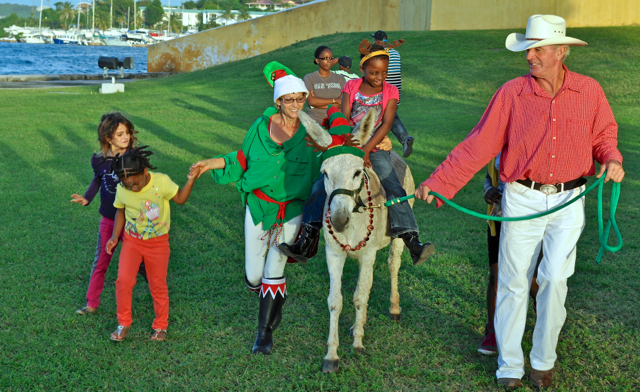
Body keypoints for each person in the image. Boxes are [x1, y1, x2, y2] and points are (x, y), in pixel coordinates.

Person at [415, 15, 625, 389]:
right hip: (522, 198)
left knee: (555, 279)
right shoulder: (512, 93)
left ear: (561, 52)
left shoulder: (590, 91)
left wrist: (611, 157)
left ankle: (543, 361)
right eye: (529, 48)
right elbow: (479, 143)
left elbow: (604, 133)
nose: (530, 56)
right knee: (513, 282)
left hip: (570, 198)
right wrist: (439, 182)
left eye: (538, 48)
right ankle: (510, 366)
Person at [190, 63, 325, 355]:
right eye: (289, 100)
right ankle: (271, 294)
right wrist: (210, 163)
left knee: (274, 267)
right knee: (254, 275)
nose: (295, 105)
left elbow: (334, 152)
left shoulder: (312, 131)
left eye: (300, 98)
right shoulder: (259, 127)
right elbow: (241, 157)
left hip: (292, 209)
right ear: (278, 101)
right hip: (260, 206)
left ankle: (263, 334)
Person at [280, 42, 434, 266]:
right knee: (321, 184)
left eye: (383, 73)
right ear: (363, 70)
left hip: (375, 145)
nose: (379, 77)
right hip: (347, 144)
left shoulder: (390, 91)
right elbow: (342, 119)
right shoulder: (350, 87)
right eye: (373, 72)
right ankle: (307, 239)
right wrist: (346, 147)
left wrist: (368, 149)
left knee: (393, 186)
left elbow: (386, 122)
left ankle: (412, 241)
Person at [105, 146, 198, 342]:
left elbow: (180, 199)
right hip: (132, 242)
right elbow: (120, 211)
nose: (133, 188)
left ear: (145, 172)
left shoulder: (161, 182)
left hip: (158, 244)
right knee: (123, 281)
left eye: (136, 183)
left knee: (157, 285)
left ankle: (161, 326)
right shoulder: (123, 188)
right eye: (127, 184)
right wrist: (115, 236)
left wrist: (190, 180)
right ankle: (123, 323)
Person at [70, 112, 147, 316]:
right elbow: (97, 180)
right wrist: (87, 198)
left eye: (128, 133)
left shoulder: (134, 157)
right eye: (120, 134)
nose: (126, 137)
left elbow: (146, 183)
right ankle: (91, 303)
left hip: (132, 220)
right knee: (101, 262)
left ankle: (159, 292)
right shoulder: (99, 160)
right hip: (108, 221)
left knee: (143, 263)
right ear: (107, 138)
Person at [478, 153, 542, 356]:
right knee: (496, 276)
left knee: (532, 281)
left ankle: (544, 324)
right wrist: (489, 190)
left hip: (531, 218)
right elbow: (489, 175)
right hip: (500, 217)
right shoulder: (497, 142)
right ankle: (493, 331)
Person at [371, 30, 414, 158]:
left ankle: (379, 147)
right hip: (395, 95)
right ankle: (405, 139)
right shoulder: (396, 53)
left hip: (382, 94)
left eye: (374, 40)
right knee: (391, 118)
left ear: (378, 41)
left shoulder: (378, 55)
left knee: (378, 120)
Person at [303, 45, 346, 124]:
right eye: (325, 58)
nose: (329, 61)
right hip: (315, 121)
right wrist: (335, 100)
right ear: (317, 60)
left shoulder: (340, 79)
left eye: (331, 58)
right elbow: (311, 102)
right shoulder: (309, 78)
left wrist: (317, 104)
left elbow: (343, 103)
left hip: (336, 122)